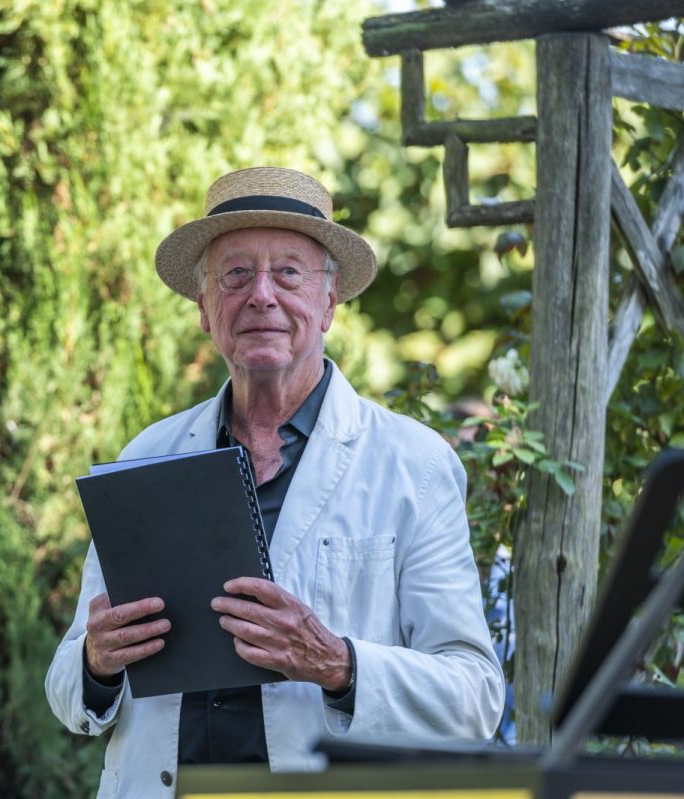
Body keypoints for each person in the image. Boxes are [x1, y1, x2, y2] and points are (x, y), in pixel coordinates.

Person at [45, 167, 505, 796]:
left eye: (289, 272)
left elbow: (475, 699)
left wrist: (337, 664)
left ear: (328, 304)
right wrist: (96, 663)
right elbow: (68, 692)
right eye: (235, 275)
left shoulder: (413, 465)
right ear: (206, 310)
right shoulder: (147, 456)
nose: (261, 294)